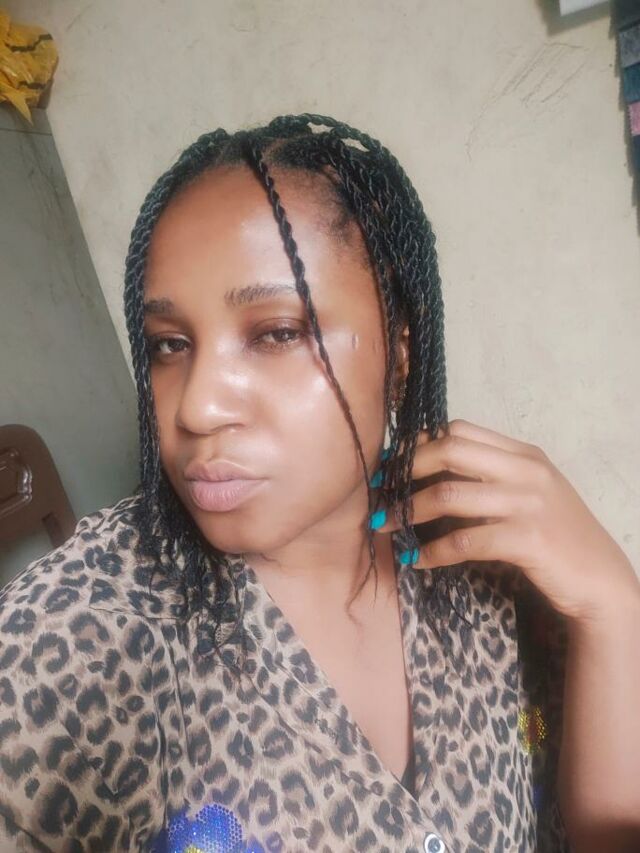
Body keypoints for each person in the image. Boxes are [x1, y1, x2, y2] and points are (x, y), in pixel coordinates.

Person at [0, 113, 638, 853]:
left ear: (399, 353)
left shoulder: (489, 554)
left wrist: (614, 608)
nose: (196, 407)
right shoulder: (73, 647)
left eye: (276, 333)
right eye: (169, 345)